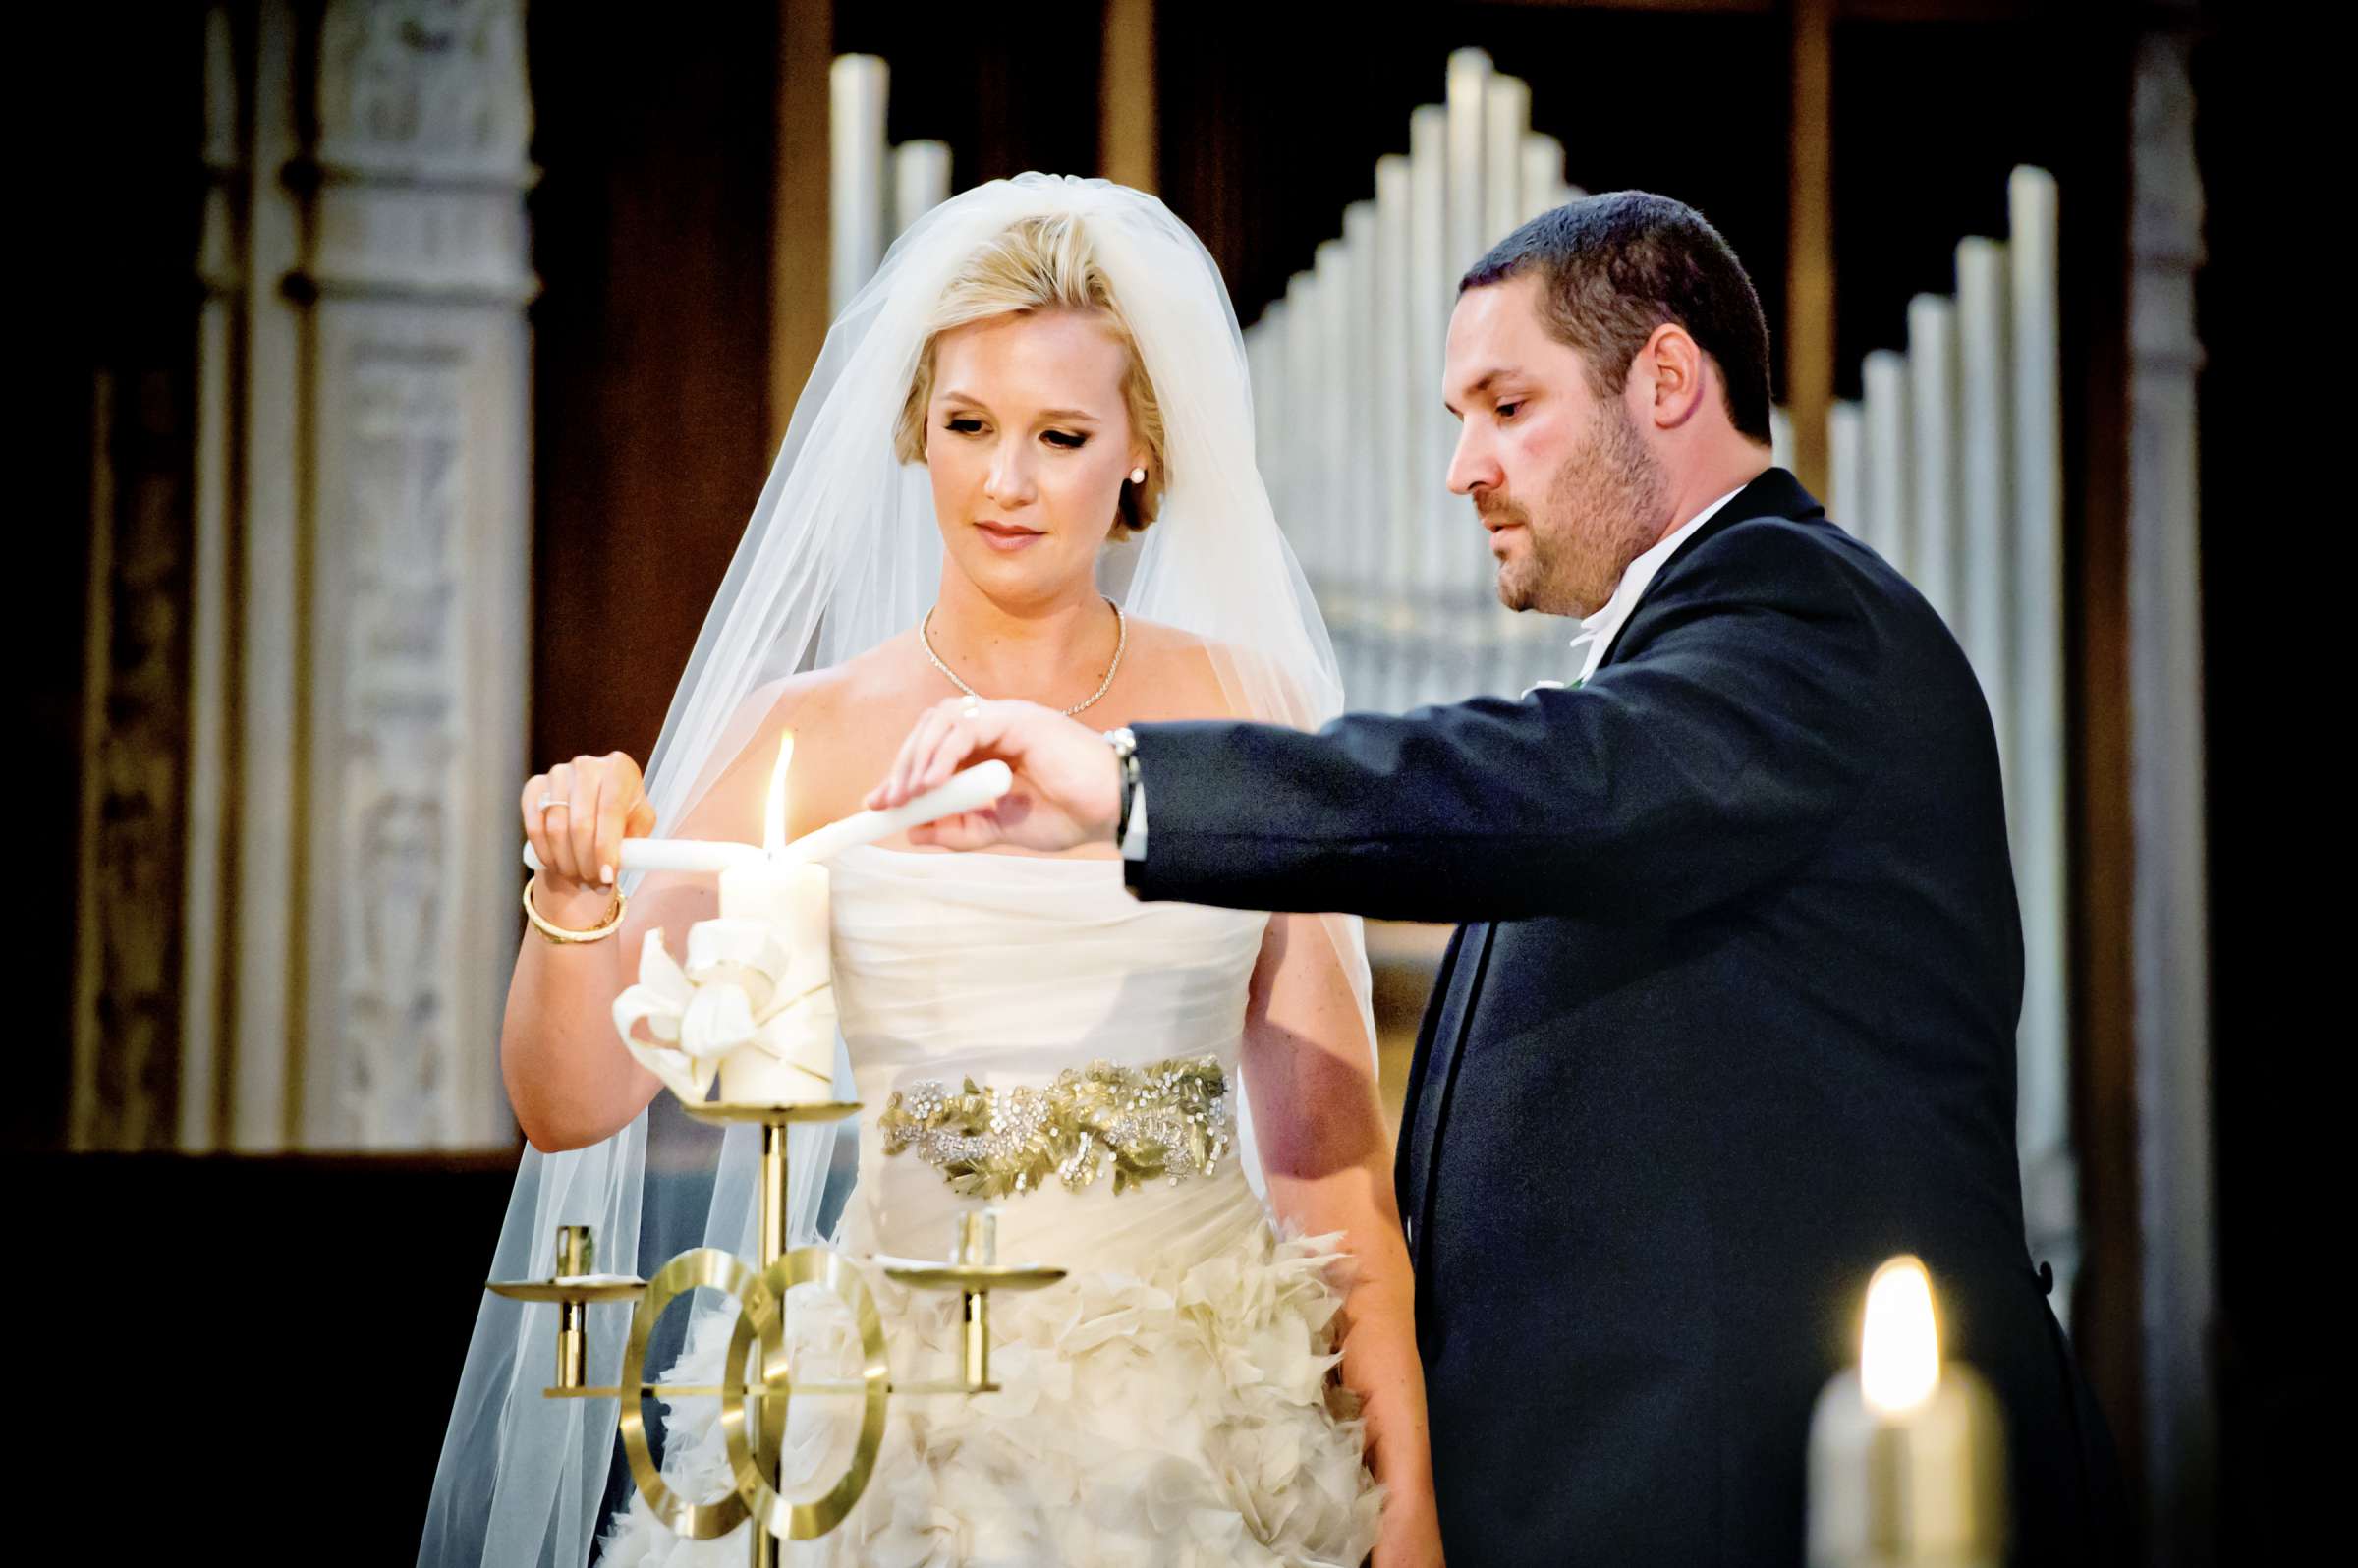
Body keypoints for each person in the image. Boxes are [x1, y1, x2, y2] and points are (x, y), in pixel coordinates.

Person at [867, 192, 2120, 1567]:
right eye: (1456, 418)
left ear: (1664, 380)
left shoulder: (1801, 624)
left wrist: (1131, 787)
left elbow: (1549, 782)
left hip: (1761, 1492)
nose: (1462, 468)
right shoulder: (1676, 653)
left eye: (1506, 406)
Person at [420, 176, 1442, 1568]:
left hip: (1215, 1416)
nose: (1005, 482)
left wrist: (1415, 1514)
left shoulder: (1249, 712)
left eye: (1060, 435)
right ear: (916, 429)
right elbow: (571, 1098)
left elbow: (1335, 1184)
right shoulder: (814, 733)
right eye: (968, 427)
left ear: (1140, 451)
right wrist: (575, 902)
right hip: (894, 1409)